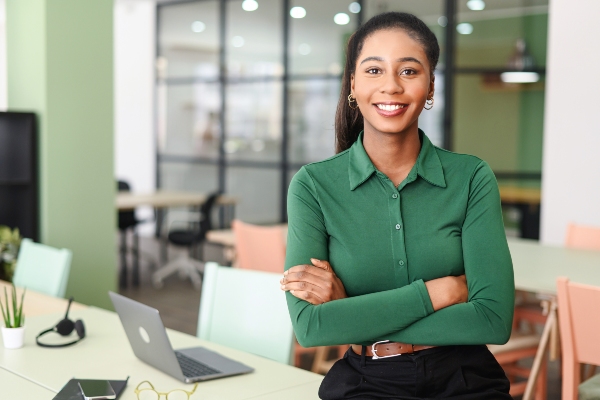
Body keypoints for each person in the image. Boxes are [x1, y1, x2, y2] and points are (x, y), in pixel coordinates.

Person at [280, 12, 515, 400]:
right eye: (373, 70)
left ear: (430, 86)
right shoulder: (314, 186)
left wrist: (350, 313)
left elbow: (492, 319)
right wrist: (439, 293)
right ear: (353, 84)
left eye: (408, 71)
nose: (390, 87)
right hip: (367, 381)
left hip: (466, 379)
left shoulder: (471, 177)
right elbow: (311, 328)